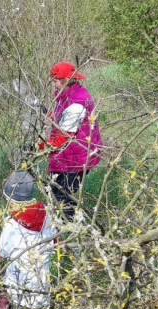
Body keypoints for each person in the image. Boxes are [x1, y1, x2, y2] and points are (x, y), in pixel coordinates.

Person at [0, 171, 57, 309]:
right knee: (39, 301)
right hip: (41, 280)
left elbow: (2, 251)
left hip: (19, 279)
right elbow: (54, 241)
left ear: (12, 201)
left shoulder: (12, 225)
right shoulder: (47, 214)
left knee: (4, 292)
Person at [39, 61, 102, 219]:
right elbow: (63, 118)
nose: (52, 84)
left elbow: (63, 137)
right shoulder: (67, 94)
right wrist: (50, 115)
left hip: (75, 159)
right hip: (68, 155)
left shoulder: (77, 103)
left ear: (65, 80)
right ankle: (64, 229)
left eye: (55, 81)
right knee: (53, 191)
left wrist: (38, 147)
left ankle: (70, 234)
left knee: (62, 199)